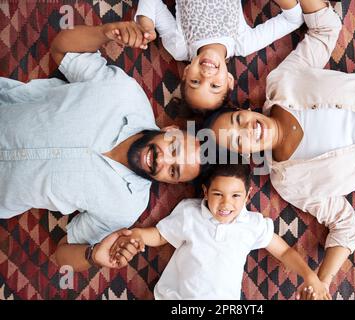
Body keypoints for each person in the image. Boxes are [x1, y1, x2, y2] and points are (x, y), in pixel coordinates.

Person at [205, 0, 355, 292]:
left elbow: (324, 29)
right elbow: (346, 226)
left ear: (245, 109)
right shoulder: (289, 182)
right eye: (239, 141)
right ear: (243, 156)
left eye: (238, 119)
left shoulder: (282, 81)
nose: (248, 129)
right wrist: (322, 282)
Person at [0, 21, 203, 271]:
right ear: (170, 130)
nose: (163, 161)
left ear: (170, 182)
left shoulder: (126, 208)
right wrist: (105, 33)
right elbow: (61, 50)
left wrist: (93, 255)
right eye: (174, 150)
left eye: (173, 171)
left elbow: (62, 254)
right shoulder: (125, 93)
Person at [108, 164, 331, 300]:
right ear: (205, 192)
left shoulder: (253, 224)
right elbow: (158, 235)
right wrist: (138, 235)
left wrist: (310, 277)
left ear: (247, 195)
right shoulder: (190, 213)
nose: (226, 204)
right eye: (218, 194)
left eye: (235, 196)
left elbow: (283, 252)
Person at [134, 0, 304, 112]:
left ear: (186, 72)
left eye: (195, 82)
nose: (206, 76)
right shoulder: (243, 43)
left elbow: (153, 3)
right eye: (215, 85)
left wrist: (146, 24)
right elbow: (293, 20)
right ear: (229, 81)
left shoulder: (179, 47)